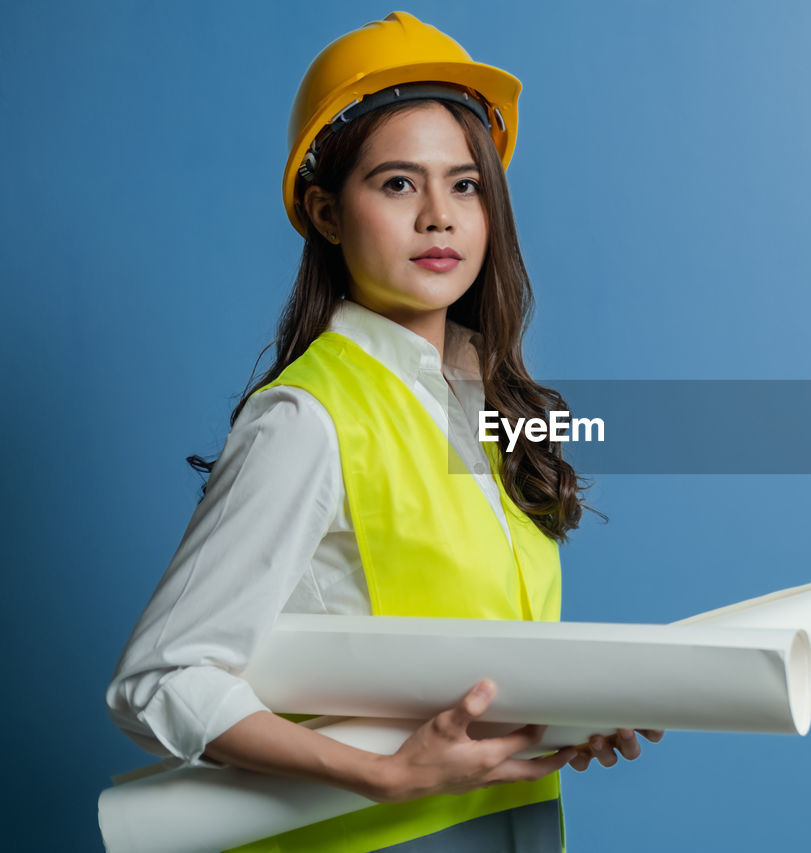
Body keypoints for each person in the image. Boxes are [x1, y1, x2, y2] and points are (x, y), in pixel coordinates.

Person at [105, 11, 659, 852]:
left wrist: (559, 718)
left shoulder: (481, 398)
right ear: (328, 213)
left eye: (464, 184)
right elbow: (158, 680)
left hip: (516, 827)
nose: (439, 216)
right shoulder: (307, 416)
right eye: (398, 184)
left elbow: (475, 668)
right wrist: (383, 774)